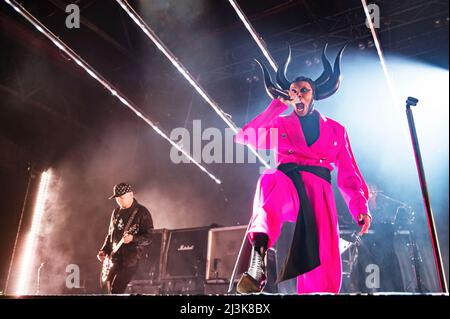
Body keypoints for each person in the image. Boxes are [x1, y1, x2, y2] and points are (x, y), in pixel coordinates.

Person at [234, 44, 372, 294]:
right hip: (289, 186)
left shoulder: (336, 130)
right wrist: (276, 106)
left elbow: (349, 171)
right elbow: (246, 138)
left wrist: (359, 207)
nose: (298, 95)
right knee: (268, 182)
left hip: (319, 193)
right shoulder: (280, 123)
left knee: (322, 261)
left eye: (304, 91)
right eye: (293, 91)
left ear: (314, 94)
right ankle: (258, 261)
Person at [97, 182, 154, 294]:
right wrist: (104, 250)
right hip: (114, 259)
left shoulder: (142, 212)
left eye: (122, 198)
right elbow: (110, 235)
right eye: (117, 198)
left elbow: (149, 237)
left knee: (116, 289)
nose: (119, 201)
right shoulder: (116, 212)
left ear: (131, 194)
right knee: (105, 289)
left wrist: (133, 238)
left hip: (131, 260)